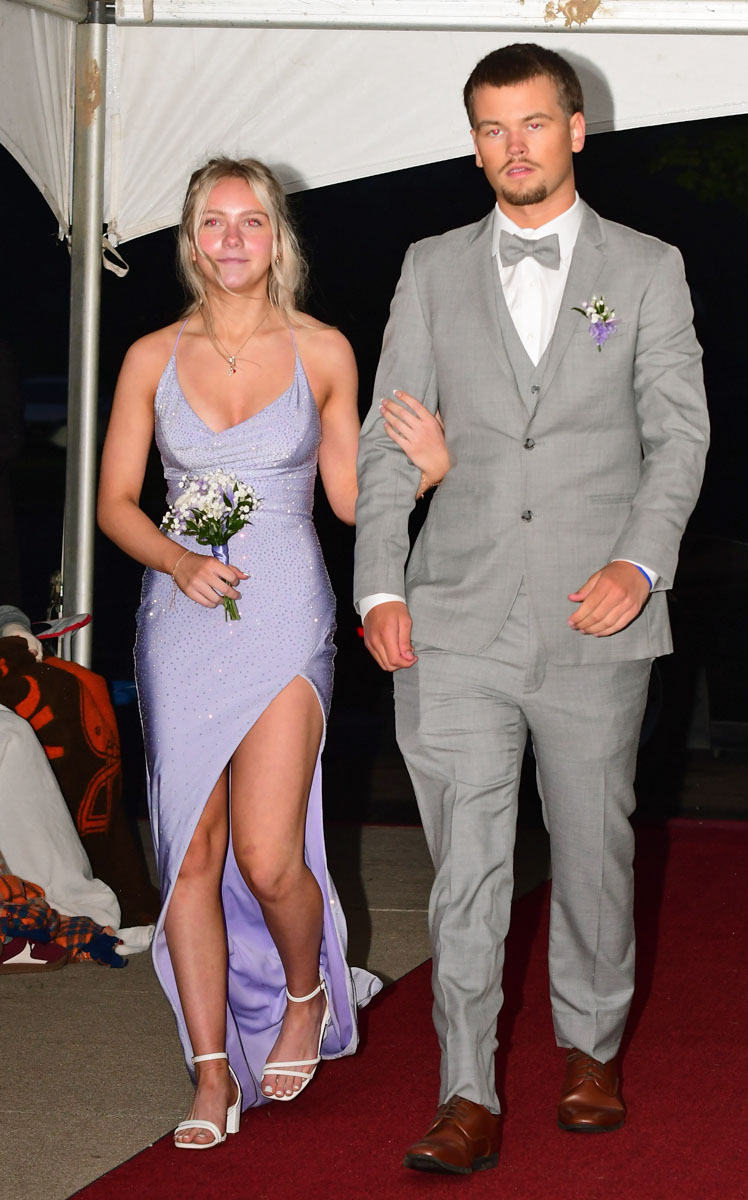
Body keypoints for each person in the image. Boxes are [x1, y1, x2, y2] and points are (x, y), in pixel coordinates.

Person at [355, 43, 709, 1174]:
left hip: (590, 617)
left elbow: (677, 437)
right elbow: (385, 442)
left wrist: (637, 564)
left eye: (532, 124)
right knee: (465, 861)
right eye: (490, 128)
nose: (512, 147)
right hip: (450, 617)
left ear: (574, 131)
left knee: (594, 844)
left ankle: (589, 1044)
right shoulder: (428, 266)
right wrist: (376, 579)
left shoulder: (645, 267)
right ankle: (466, 1091)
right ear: (474, 142)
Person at [97, 157, 450, 1150]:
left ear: (277, 236)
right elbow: (113, 503)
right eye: (214, 223)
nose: (232, 240)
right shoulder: (150, 357)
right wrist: (175, 559)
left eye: (251, 222)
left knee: (266, 854)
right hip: (182, 619)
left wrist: (419, 476)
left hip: (288, 609)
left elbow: (347, 500)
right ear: (189, 239)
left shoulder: (325, 350)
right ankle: (210, 1073)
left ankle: (306, 994)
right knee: (191, 856)